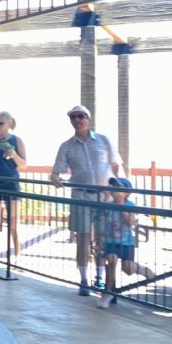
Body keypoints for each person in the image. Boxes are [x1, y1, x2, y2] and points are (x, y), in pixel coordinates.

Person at [50, 105, 123, 297]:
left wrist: (119, 189)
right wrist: (56, 178)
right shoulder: (66, 146)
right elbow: (56, 171)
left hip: (103, 197)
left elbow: (115, 165)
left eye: (81, 116)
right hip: (81, 196)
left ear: (88, 120)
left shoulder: (104, 141)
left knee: (101, 239)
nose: (77, 120)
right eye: (73, 117)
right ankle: (83, 280)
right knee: (82, 239)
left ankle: (99, 278)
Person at [97, 177, 155, 309]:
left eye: (119, 189)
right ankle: (108, 293)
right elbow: (103, 222)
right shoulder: (109, 205)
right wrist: (100, 239)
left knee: (127, 269)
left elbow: (130, 223)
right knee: (111, 261)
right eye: (113, 189)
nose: (115, 191)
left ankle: (141, 269)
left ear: (126, 193)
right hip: (111, 242)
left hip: (126, 243)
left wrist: (121, 207)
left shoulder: (130, 206)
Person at [0, 111, 26, 259]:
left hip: (11, 183)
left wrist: (13, 154)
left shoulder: (17, 140)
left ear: (9, 123)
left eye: (1, 123)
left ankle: (17, 254)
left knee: (13, 223)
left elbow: (23, 165)